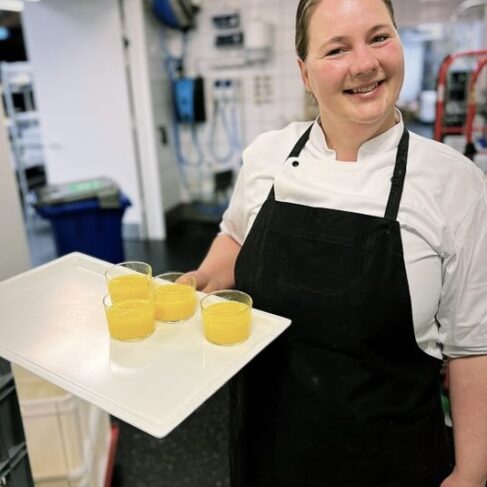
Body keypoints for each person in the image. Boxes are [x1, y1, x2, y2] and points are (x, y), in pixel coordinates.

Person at [185, 0, 487, 485]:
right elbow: (237, 236)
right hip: (266, 453)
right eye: (336, 49)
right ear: (304, 73)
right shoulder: (266, 156)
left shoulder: (456, 185)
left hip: (393, 465)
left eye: (379, 37)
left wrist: (471, 474)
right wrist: (202, 277)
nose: (364, 64)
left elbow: (473, 348)